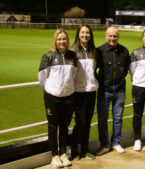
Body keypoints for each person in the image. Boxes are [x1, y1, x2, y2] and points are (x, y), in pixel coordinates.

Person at [38, 29, 77, 168]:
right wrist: (51, 90)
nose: (62, 42)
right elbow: (42, 77)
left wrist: (66, 89)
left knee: (65, 127)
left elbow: (74, 74)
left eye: (64, 39)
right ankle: (54, 155)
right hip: (52, 97)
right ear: (55, 40)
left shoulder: (73, 56)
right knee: (53, 127)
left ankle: (63, 154)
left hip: (69, 97)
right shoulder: (48, 56)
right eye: (59, 39)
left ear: (68, 40)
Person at [95, 27, 130, 154]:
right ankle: (104, 145)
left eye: (115, 36)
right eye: (110, 36)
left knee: (118, 118)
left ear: (118, 37)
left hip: (119, 91)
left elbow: (126, 69)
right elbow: (93, 70)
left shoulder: (124, 51)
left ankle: (116, 142)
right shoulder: (99, 51)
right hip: (104, 91)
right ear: (106, 36)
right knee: (102, 119)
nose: (112, 39)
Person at [70, 24, 99, 160]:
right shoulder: (72, 51)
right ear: (78, 34)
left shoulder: (94, 51)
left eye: (87, 33)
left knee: (87, 122)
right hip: (78, 92)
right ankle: (74, 150)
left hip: (91, 91)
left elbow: (95, 70)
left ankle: (85, 149)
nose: (85, 35)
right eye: (82, 33)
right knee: (80, 122)